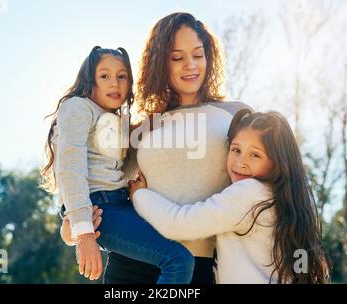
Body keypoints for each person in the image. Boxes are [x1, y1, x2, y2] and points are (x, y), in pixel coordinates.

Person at [102, 12, 252, 284]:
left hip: (198, 265)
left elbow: (273, 184)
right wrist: (76, 229)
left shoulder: (237, 114)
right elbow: (106, 187)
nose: (190, 65)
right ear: (161, 63)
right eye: (177, 57)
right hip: (133, 264)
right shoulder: (144, 126)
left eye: (197, 54)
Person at [41, 46, 195, 283]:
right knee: (178, 260)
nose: (114, 83)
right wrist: (84, 236)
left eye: (121, 76)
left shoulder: (118, 120)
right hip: (99, 209)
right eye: (104, 76)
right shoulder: (78, 107)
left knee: (163, 255)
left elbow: (122, 163)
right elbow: (70, 168)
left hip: (121, 202)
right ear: (89, 81)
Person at [129, 109, 331, 283]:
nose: (240, 162)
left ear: (277, 162)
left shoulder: (249, 193)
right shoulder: (291, 202)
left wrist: (140, 195)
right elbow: (303, 264)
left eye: (255, 155)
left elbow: (179, 224)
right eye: (236, 150)